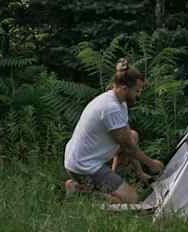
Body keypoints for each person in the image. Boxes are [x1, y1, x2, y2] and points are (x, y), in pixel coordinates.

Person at [63, 59, 163, 204]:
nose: (139, 95)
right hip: (84, 166)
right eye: (137, 91)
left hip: (82, 158)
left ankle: (110, 179)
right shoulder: (111, 108)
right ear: (124, 88)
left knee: (133, 135)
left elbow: (128, 140)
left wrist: (140, 172)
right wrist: (152, 164)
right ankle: (78, 190)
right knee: (131, 199)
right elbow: (128, 147)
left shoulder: (119, 102)